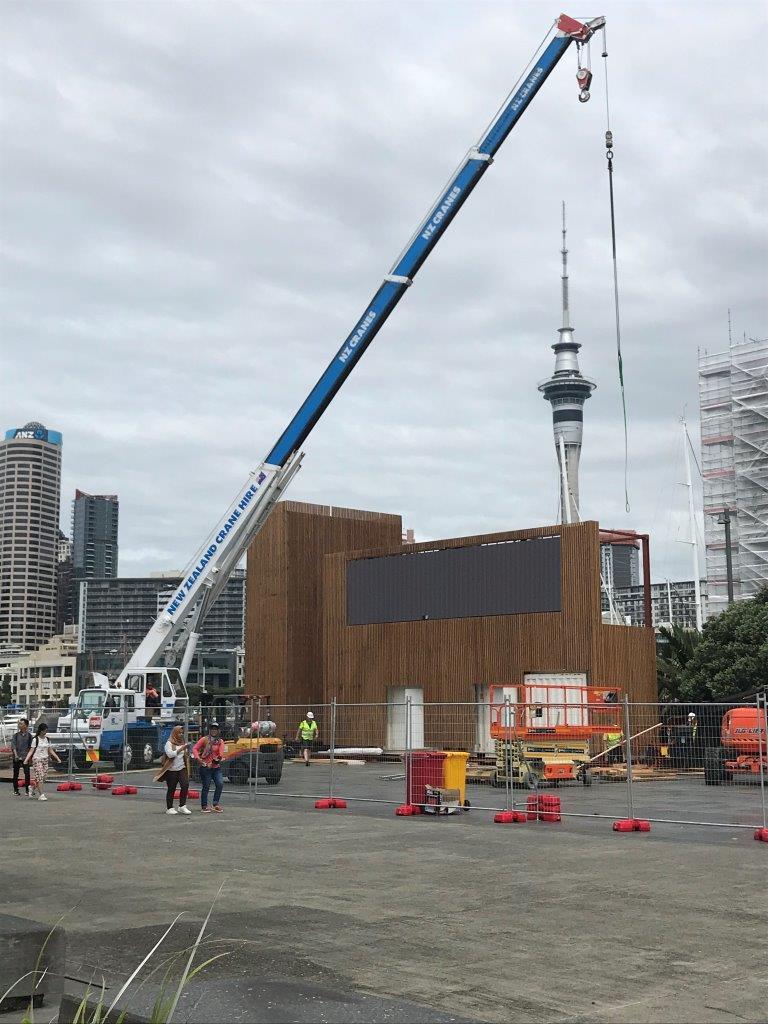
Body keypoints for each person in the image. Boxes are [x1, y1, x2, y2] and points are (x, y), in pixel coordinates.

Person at [193, 721, 228, 814]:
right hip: (205, 767)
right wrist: (198, 759)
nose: (214, 731)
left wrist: (215, 761)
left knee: (220, 783)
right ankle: (204, 806)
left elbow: (220, 754)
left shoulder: (220, 741)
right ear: (209, 730)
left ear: (218, 731)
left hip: (215, 766)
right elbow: (195, 748)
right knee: (206, 786)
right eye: (212, 729)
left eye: (215, 729)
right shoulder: (204, 739)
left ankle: (215, 804)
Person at [156, 725, 192, 815]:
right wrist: (181, 749)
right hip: (171, 769)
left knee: (185, 784)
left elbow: (185, 754)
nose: (180, 734)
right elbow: (170, 754)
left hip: (182, 768)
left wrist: (187, 750)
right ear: (174, 733)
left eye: (182, 733)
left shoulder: (182, 742)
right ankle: (169, 807)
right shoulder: (169, 743)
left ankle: (182, 806)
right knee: (171, 788)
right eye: (179, 733)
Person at [23, 723, 62, 801]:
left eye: (46, 731)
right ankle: (41, 794)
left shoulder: (47, 739)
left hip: (45, 759)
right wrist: (26, 760)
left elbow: (50, 749)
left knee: (43, 777)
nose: (45, 732)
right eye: (44, 731)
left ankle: (32, 788)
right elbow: (31, 750)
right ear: (40, 731)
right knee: (40, 776)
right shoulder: (35, 739)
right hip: (37, 759)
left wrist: (57, 758)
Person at [11, 717, 33, 797]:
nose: (19, 725)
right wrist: (16, 755)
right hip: (17, 757)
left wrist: (30, 757)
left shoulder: (29, 736)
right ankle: (15, 790)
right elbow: (13, 746)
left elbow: (31, 747)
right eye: (19, 724)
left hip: (25, 758)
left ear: (26, 725)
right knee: (15, 774)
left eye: (21, 724)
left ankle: (27, 790)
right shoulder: (16, 735)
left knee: (27, 773)